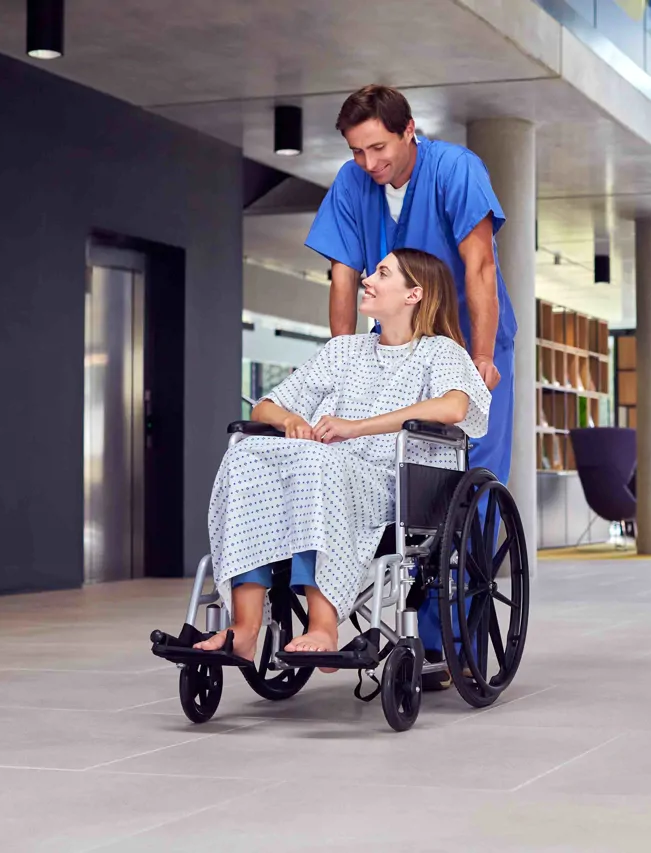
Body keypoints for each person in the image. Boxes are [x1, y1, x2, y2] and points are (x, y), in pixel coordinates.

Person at [304, 85, 515, 681]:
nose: (370, 164)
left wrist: (479, 357)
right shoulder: (351, 184)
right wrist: (343, 361)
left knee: (460, 490)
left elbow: (479, 266)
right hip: (395, 350)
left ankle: (453, 641)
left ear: (409, 131)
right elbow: (343, 277)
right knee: (386, 467)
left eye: (378, 148)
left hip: (468, 348)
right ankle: (388, 622)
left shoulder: (456, 171)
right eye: (357, 152)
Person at [194, 249, 491, 668]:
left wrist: (357, 427)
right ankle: (243, 629)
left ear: (414, 294)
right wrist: (291, 419)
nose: (367, 279)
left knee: (319, 463)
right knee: (247, 455)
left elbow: (453, 409)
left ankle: (323, 624)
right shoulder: (343, 352)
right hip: (323, 473)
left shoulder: (440, 352)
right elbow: (265, 407)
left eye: (383, 274)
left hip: (393, 484)